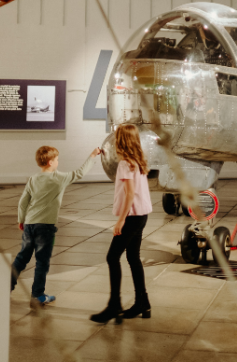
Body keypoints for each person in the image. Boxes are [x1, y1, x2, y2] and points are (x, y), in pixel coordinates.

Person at [11, 145, 101, 307]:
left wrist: (21, 220)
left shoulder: (33, 179)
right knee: (42, 261)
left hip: (30, 224)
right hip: (45, 228)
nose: (58, 162)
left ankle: (6, 286)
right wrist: (93, 156)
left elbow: (23, 202)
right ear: (51, 162)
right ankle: (37, 295)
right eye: (57, 160)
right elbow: (79, 173)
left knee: (22, 257)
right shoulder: (59, 178)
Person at [90, 124, 153, 324]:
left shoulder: (126, 163)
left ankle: (114, 305)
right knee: (133, 258)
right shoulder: (138, 161)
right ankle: (142, 302)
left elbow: (129, 194)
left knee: (112, 257)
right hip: (142, 215)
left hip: (132, 217)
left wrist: (120, 220)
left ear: (122, 141)